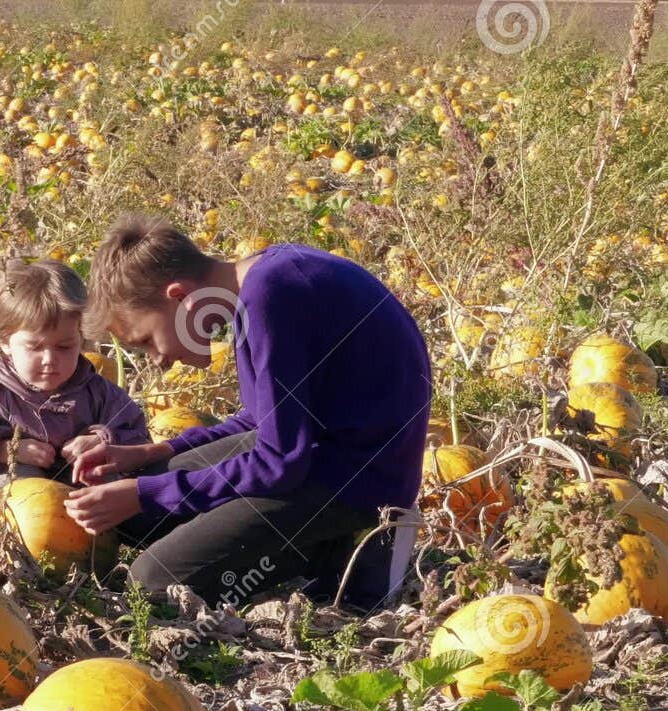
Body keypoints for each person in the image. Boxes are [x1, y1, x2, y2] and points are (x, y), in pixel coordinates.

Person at [66, 215, 432, 611]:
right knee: (141, 519)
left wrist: (145, 494)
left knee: (153, 584)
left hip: (356, 479)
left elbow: (279, 463)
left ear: (179, 296)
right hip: (319, 452)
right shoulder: (255, 284)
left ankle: (338, 552)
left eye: (146, 341)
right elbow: (261, 420)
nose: (156, 360)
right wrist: (153, 454)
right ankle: (310, 542)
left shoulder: (275, 296)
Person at [0, 258, 150, 519]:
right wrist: (2, 450)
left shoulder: (98, 392)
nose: (49, 359)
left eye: (64, 347)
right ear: (5, 342)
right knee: (23, 480)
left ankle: (99, 546)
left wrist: (102, 440)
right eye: (34, 347)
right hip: (0, 501)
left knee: (103, 475)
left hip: (76, 510)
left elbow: (140, 439)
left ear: (82, 338)